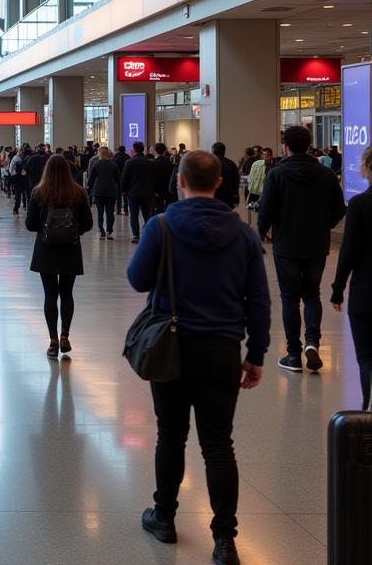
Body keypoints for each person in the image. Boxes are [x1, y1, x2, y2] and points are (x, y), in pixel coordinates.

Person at [128, 150, 270, 565]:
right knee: (218, 444)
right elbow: (258, 299)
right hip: (223, 349)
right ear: (221, 183)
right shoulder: (243, 233)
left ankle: (165, 517)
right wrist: (256, 353)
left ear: (179, 181)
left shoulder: (162, 225)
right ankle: (225, 539)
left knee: (170, 435)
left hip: (171, 346)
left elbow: (137, 280)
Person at [258, 125, 346, 373]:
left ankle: (293, 354)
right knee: (312, 294)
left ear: (285, 147)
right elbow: (339, 210)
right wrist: (323, 225)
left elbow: (266, 208)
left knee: (289, 298)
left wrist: (262, 231)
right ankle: (313, 342)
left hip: (286, 244)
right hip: (316, 245)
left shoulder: (276, 175)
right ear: (309, 146)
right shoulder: (327, 175)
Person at [26, 154, 93, 357]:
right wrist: (74, 232)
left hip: (45, 249)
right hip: (70, 249)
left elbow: (30, 224)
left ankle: (53, 340)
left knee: (50, 295)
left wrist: (45, 230)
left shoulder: (38, 192)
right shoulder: (78, 192)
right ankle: (65, 335)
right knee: (66, 293)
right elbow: (88, 223)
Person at [331, 145, 372, 409]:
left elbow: (349, 251)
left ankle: (367, 405)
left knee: (366, 355)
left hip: (366, 292)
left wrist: (338, 287)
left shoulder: (359, 205)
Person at [121, 141, 155, 243]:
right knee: (147, 215)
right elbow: (154, 178)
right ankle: (148, 234)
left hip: (133, 193)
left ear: (134, 149)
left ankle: (136, 235)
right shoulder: (150, 162)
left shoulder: (130, 162)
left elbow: (125, 178)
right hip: (147, 193)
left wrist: (123, 190)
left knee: (134, 215)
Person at [86, 145, 120, 240]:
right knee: (110, 212)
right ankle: (109, 231)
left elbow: (91, 178)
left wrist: (89, 189)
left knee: (100, 213)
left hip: (99, 191)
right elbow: (118, 178)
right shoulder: (113, 164)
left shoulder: (96, 164)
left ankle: (102, 232)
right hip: (111, 191)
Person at [212, 142, 241, 210]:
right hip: (228, 199)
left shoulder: (210, 164)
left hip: (213, 198)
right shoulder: (232, 164)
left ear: (213, 151)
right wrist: (236, 196)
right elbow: (236, 182)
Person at [151, 143, 175, 212]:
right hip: (168, 191)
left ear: (155, 151)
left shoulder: (153, 163)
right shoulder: (170, 163)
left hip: (156, 192)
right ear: (165, 151)